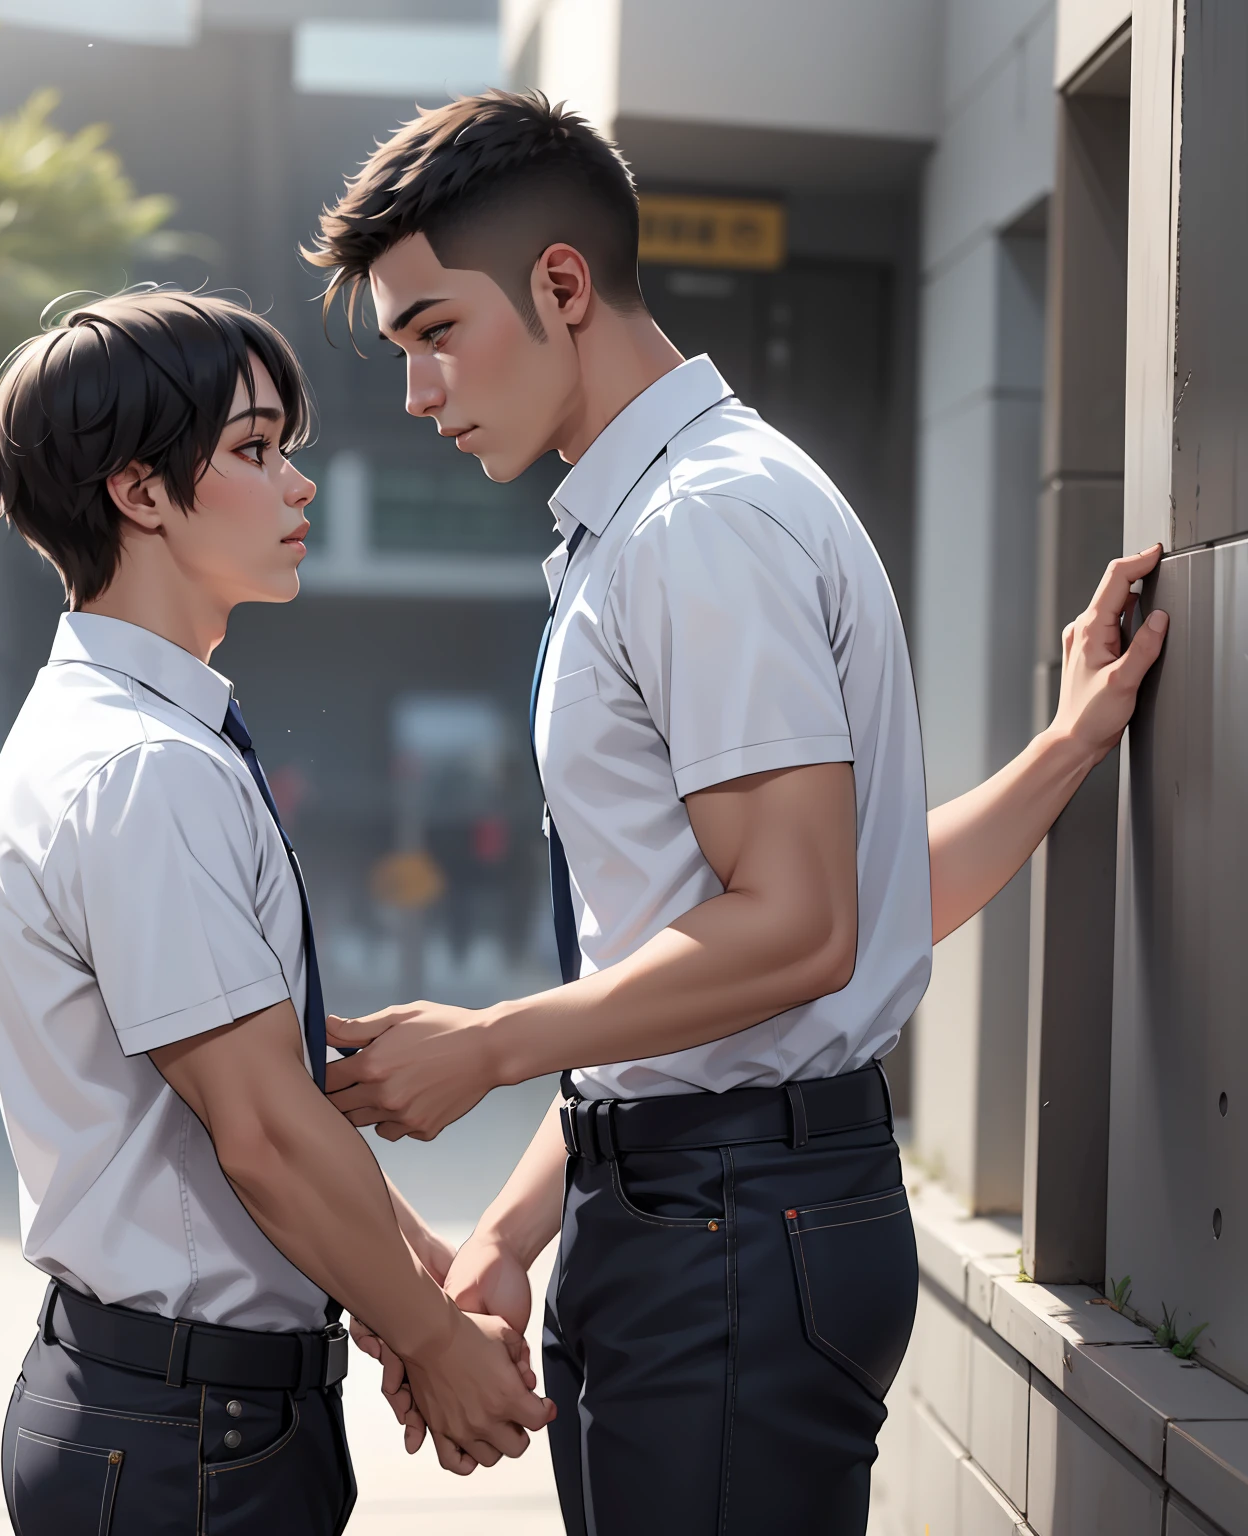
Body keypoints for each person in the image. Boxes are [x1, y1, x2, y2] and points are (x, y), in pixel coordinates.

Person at [305, 91, 1170, 1534]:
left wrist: (492, 1046)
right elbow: (842, 907)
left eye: (434, 331)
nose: (419, 392)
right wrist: (519, 1226)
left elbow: (801, 930)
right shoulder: (652, 520)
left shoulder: (701, 525)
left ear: (562, 286)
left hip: (731, 1233)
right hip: (692, 1211)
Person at [0, 289, 552, 1536]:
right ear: (139, 493)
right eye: (253, 448)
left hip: (185, 1425)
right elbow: (264, 1133)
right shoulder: (142, 769)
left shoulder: (149, 738)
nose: (298, 486)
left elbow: (270, 1093)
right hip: (179, 1443)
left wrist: (428, 1290)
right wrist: (431, 1339)